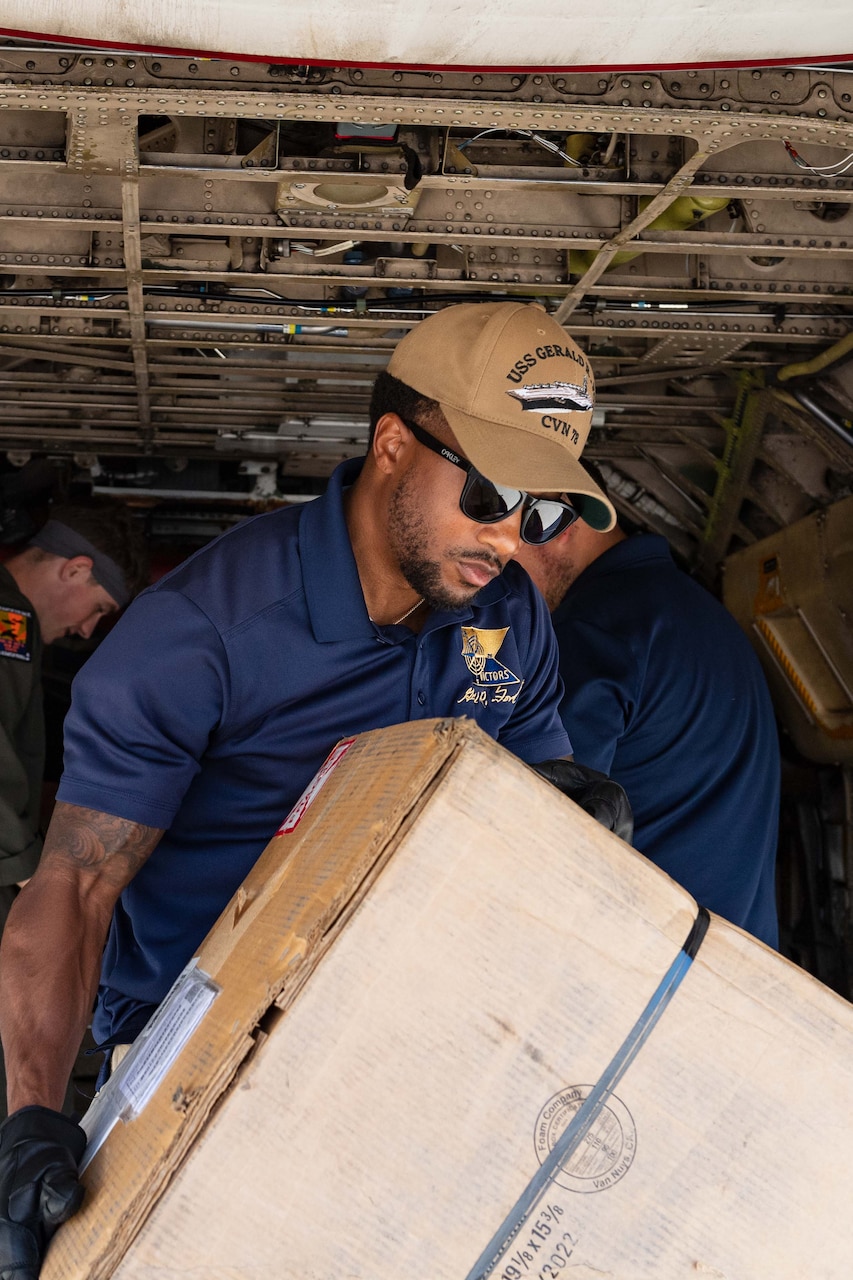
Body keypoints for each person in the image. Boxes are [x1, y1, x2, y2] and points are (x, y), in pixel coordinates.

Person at [0, 301, 631, 1276]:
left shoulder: (508, 618)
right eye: (492, 490)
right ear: (391, 444)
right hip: (199, 1053)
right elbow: (79, 883)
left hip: (409, 1040)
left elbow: (538, 790)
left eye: (543, 510)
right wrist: (32, 1116)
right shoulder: (200, 634)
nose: (511, 537)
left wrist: (571, 822)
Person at [514, 465, 780, 948]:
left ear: (557, 524)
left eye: (509, 541)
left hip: (647, 975)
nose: (502, 568)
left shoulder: (598, 626)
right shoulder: (699, 614)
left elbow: (543, 827)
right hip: (739, 973)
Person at [0, 500, 148, 1123]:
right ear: (74, 570)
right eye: (99, 610)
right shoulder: (8, 622)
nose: (88, 631)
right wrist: (36, 871)